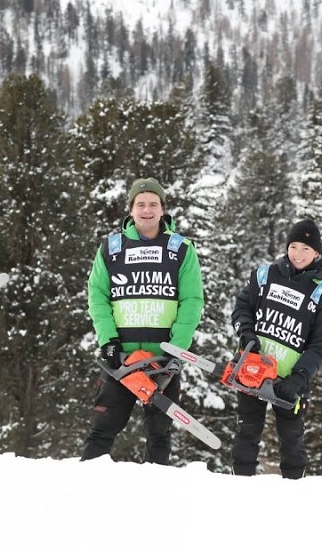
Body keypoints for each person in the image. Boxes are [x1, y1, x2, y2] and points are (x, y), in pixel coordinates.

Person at [81, 178, 204, 464]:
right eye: (140, 204)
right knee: (101, 430)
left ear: (163, 209)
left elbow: (192, 300)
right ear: (131, 209)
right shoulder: (111, 248)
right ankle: (87, 485)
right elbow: (97, 296)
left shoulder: (181, 249)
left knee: (159, 433)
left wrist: (176, 349)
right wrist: (108, 341)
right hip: (121, 360)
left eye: (153, 204)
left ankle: (157, 489)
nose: (146, 210)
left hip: (163, 360)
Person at [230, 218, 322, 479]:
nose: (298, 254)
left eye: (306, 249)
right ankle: (239, 487)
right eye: (294, 247)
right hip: (253, 369)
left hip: (289, 382)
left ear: (317, 253)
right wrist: (246, 333)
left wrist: (300, 376)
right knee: (246, 432)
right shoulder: (265, 275)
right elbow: (242, 307)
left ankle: (294, 490)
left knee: (292, 440)